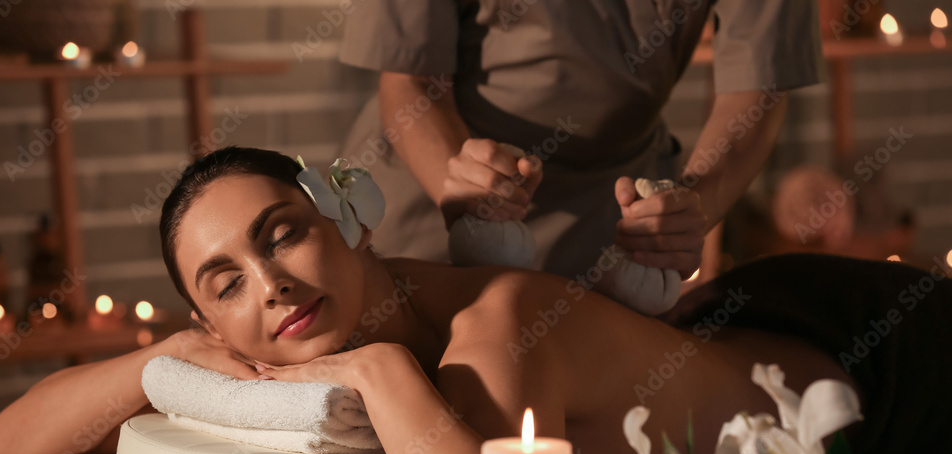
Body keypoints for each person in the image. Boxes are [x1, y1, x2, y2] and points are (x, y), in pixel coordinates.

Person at [0, 148, 952, 454]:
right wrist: (164, 351)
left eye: (281, 232)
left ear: (352, 220)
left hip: (892, 369)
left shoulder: (499, 326)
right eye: (224, 280)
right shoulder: (250, 329)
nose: (267, 283)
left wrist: (378, 370)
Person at [337, 0, 826, 281]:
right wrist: (459, 180)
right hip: (439, 191)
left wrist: (693, 207)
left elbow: (757, 86)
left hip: (613, 216)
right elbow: (409, 81)